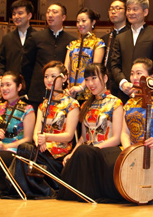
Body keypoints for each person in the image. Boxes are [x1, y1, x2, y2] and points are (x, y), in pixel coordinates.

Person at [58, 63, 123, 202]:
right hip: (87, 151)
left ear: (105, 78)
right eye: (87, 79)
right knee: (76, 156)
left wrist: (94, 148)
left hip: (106, 151)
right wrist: (72, 153)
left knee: (85, 152)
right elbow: (82, 137)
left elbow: (117, 138)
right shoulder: (86, 105)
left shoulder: (116, 103)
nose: (90, 83)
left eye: (94, 78)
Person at [25, 61, 79, 192]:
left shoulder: (72, 104)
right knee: (24, 148)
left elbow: (69, 136)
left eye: (53, 76)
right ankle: (32, 189)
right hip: (43, 148)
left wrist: (46, 138)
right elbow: (36, 131)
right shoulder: (43, 104)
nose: (49, 80)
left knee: (27, 152)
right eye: (46, 76)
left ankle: (45, 189)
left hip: (60, 152)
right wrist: (39, 141)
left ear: (64, 78)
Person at [22, 3, 76, 107]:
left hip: (62, 94)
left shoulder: (72, 41)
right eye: (48, 12)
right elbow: (26, 65)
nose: (50, 15)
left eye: (54, 12)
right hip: (37, 93)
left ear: (63, 17)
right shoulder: (35, 37)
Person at [110, 0, 153, 103]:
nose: (131, 13)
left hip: (148, 92)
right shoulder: (120, 37)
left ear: (145, 12)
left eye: (135, 9)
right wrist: (123, 83)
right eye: (128, 9)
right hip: (124, 92)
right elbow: (114, 65)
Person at [120, 58, 153, 150]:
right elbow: (124, 133)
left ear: (151, 76)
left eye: (139, 73)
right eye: (132, 73)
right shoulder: (129, 102)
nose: (134, 77)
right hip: (131, 150)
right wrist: (129, 151)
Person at [65, 8, 105, 100]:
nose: (80, 24)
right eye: (78, 21)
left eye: (83, 21)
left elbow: (94, 69)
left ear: (93, 22)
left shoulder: (98, 43)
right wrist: (67, 86)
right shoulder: (72, 44)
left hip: (88, 91)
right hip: (70, 91)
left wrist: (81, 87)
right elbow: (66, 67)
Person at [0, 0, 35, 86]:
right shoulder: (7, 38)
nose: (16, 16)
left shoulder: (38, 37)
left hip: (31, 86)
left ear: (29, 15)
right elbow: (0, 62)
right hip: (11, 86)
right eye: (14, 14)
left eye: (20, 13)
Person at [102, 0, 129, 97]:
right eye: (111, 9)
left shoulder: (131, 36)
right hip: (108, 85)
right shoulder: (104, 39)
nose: (113, 11)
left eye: (118, 8)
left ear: (126, 12)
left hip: (125, 84)